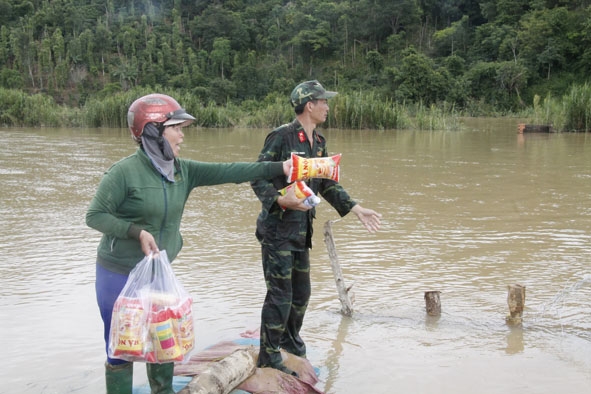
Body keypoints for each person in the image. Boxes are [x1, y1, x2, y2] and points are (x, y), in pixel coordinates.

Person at [86, 93, 291, 394]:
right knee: (120, 346)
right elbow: (94, 216)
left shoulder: (183, 171)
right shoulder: (123, 173)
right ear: (153, 132)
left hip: (158, 273)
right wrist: (135, 232)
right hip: (118, 274)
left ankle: (163, 391)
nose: (182, 135)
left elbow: (230, 171)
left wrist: (278, 168)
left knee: (162, 337)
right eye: (176, 128)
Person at [250, 80, 382, 375]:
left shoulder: (318, 143)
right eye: (323, 102)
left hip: (301, 233)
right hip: (277, 231)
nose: (327, 106)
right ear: (309, 105)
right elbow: (258, 176)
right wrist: (281, 201)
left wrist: (356, 209)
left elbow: (326, 183)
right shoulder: (281, 137)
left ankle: (291, 345)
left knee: (301, 294)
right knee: (279, 295)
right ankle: (269, 356)